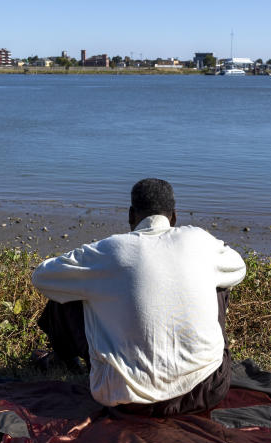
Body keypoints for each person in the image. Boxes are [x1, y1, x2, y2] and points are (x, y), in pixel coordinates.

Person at [31, 178, 246, 416]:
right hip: (206, 390)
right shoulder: (198, 239)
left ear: (131, 215)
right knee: (219, 283)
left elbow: (42, 276)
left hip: (126, 397)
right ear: (174, 217)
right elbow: (238, 268)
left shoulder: (109, 250)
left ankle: (63, 359)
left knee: (66, 289)